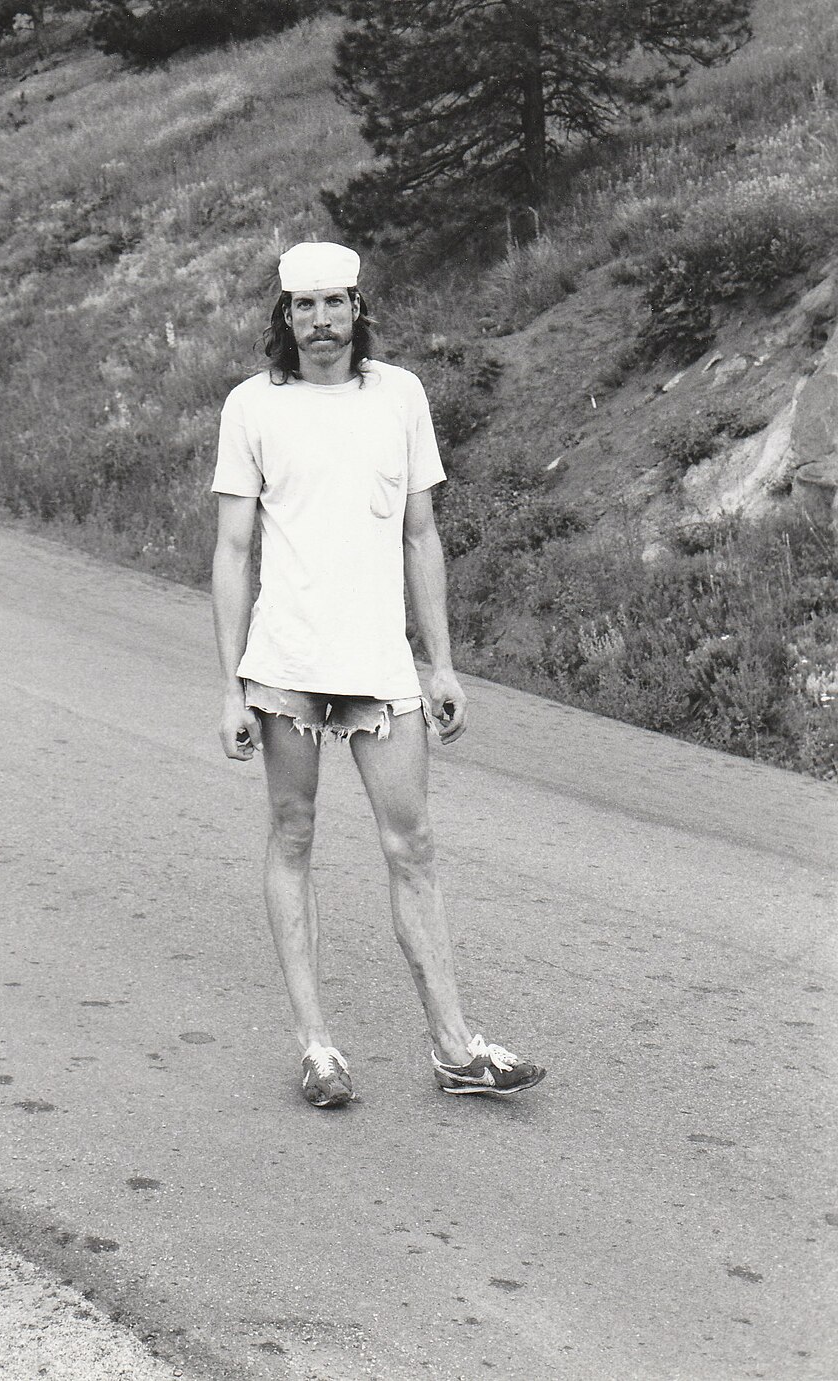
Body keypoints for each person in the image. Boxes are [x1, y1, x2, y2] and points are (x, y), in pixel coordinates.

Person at [211, 240, 545, 1108]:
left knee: (414, 845)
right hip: (285, 663)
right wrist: (231, 686)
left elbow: (420, 534)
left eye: (336, 302)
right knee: (293, 834)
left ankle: (455, 1048)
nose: (322, 320)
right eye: (305, 305)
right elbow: (233, 550)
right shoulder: (253, 405)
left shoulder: (400, 395)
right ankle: (318, 1047)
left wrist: (442, 663)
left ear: (358, 308)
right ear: (285, 316)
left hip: (379, 664)